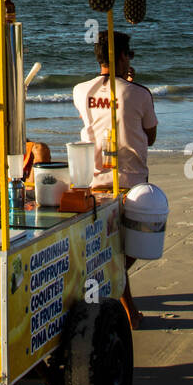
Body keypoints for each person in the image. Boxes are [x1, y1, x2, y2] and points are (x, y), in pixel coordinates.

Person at [72, 30, 158, 329]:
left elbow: (99, 115)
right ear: (122, 56)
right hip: (132, 181)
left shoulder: (81, 91)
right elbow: (151, 136)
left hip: (93, 180)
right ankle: (127, 309)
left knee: (113, 249)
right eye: (128, 54)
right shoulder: (140, 93)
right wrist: (129, 87)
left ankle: (124, 304)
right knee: (130, 248)